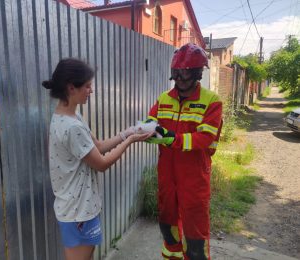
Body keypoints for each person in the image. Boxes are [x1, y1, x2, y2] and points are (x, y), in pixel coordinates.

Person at [42, 58, 153, 260]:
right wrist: (131, 142)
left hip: (81, 208)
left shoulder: (72, 117)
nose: (91, 90)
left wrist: (127, 133)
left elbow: (99, 147)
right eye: (87, 86)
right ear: (71, 88)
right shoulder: (72, 126)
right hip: (77, 212)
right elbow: (101, 164)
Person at [146, 43, 223, 260]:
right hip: (167, 178)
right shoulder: (164, 99)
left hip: (194, 179)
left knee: (195, 234)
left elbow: (205, 137)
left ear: (198, 73)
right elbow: (152, 120)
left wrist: (172, 139)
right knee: (168, 228)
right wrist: (145, 128)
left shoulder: (211, 101)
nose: (179, 78)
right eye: (176, 73)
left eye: (184, 73)